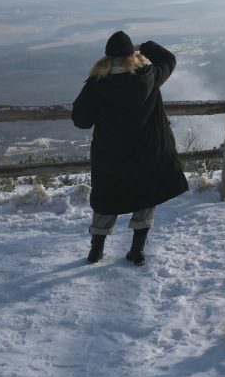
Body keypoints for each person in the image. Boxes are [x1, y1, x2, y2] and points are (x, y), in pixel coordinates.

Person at [72, 31, 188, 266]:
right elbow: (169, 59)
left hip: (110, 154)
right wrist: (145, 47)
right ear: (131, 56)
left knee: (107, 198)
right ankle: (136, 250)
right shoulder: (150, 77)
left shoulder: (96, 86)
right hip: (147, 151)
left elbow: (81, 121)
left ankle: (96, 250)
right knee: (146, 195)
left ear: (107, 58)